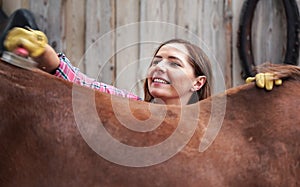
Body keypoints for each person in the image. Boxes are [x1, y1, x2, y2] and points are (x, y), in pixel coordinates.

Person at [2, 10, 282, 105]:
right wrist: (44, 53)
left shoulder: (211, 128)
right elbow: (82, 84)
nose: (159, 67)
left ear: (198, 83)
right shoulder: (128, 108)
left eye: (174, 63)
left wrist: (263, 99)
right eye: (156, 60)